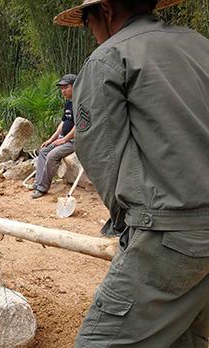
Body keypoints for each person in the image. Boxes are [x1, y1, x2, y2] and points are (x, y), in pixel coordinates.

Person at [54, 0, 209, 346]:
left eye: (87, 24)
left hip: (169, 234)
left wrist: (128, 222)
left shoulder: (110, 57)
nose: (91, 35)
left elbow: (100, 153)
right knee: (180, 337)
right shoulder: (200, 45)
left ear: (105, 11)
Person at [28, 74, 77, 199]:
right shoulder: (68, 104)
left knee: (52, 155)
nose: (63, 91)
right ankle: (38, 182)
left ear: (75, 86)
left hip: (75, 141)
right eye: (61, 88)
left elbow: (79, 126)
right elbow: (63, 123)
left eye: (66, 87)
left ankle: (42, 188)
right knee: (44, 151)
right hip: (64, 139)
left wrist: (65, 139)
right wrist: (51, 139)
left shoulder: (81, 103)